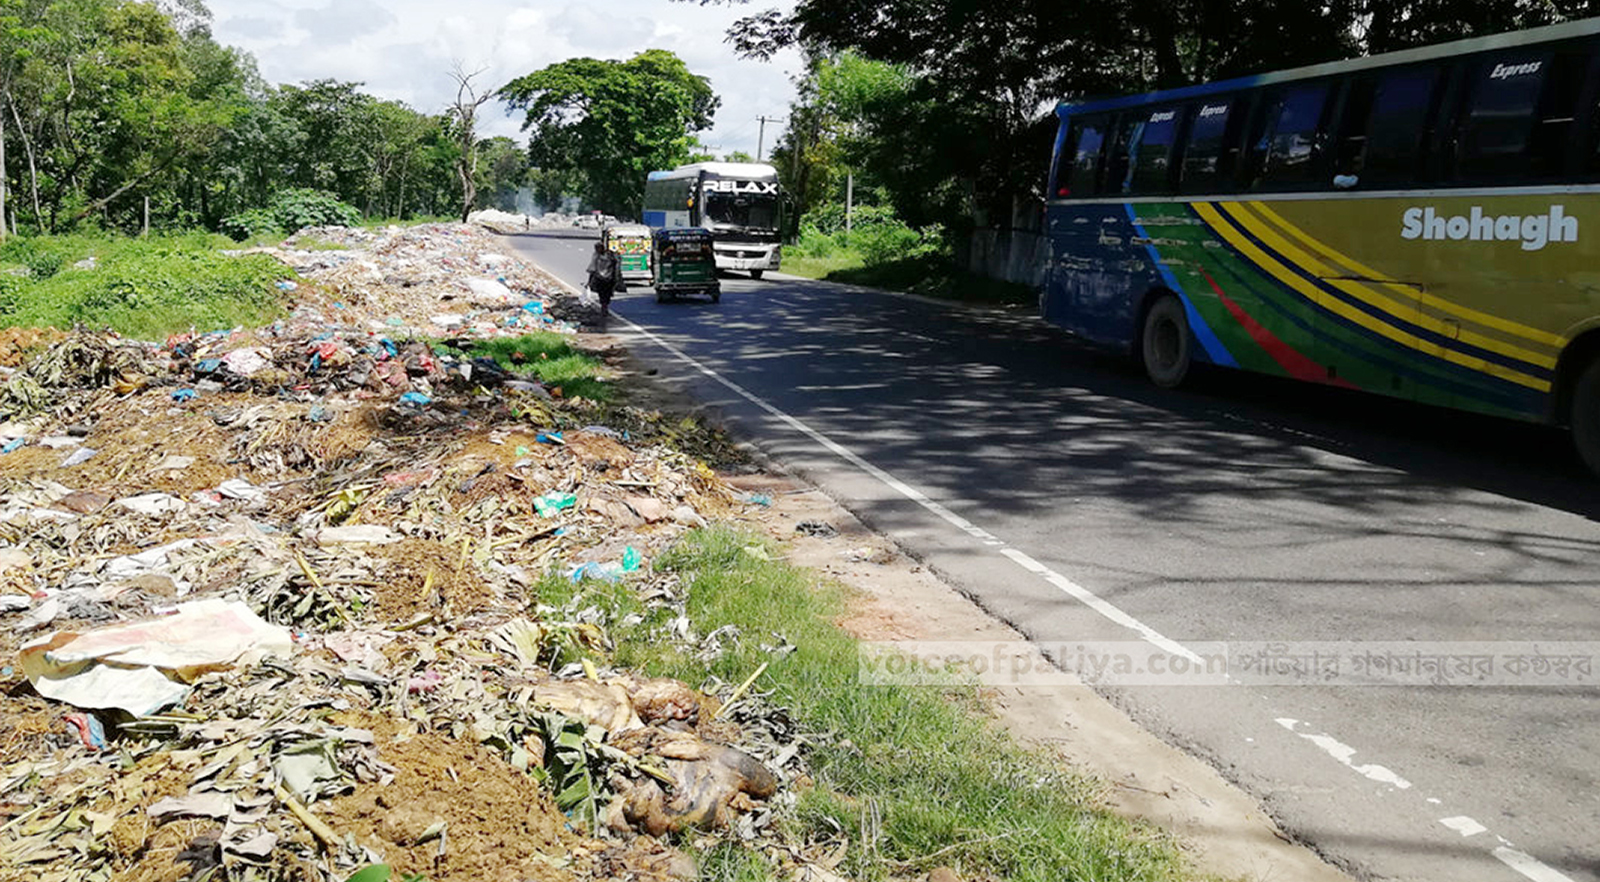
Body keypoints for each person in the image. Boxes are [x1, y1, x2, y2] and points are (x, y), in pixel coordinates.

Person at [586, 240, 622, 317]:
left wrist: (616, 278)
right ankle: (604, 307)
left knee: (607, 294)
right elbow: (592, 269)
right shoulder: (597, 256)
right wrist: (589, 281)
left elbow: (616, 265)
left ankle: (605, 307)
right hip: (601, 279)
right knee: (602, 295)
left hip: (608, 279)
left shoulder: (610, 255)